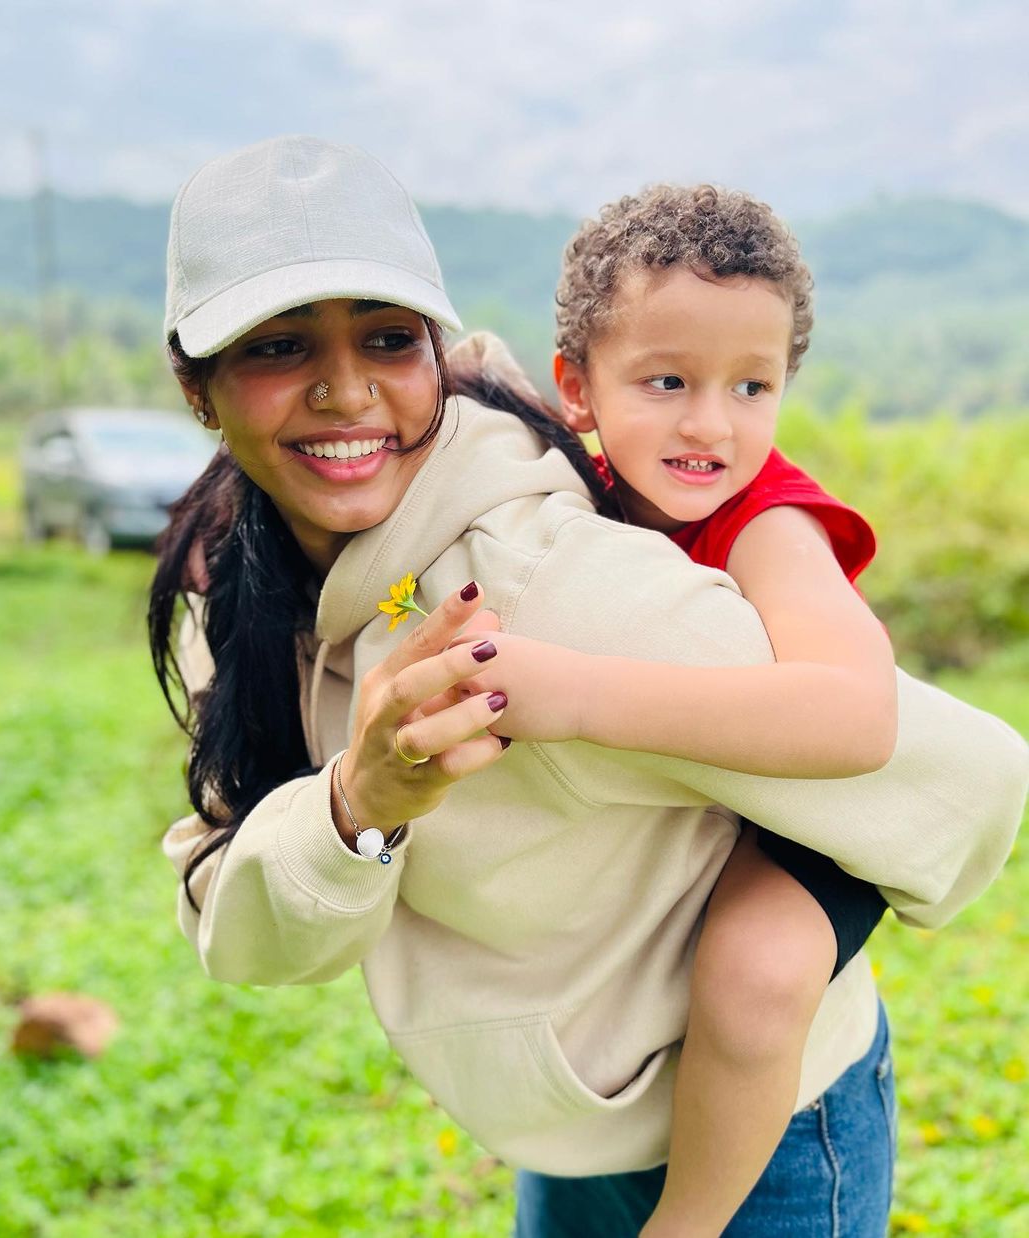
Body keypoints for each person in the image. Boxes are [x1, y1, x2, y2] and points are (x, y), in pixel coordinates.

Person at [151, 136, 1028, 1238]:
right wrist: (356, 806)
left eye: (385, 338)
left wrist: (576, 698)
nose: (344, 387)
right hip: (572, 1125)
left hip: (769, 1140)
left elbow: (962, 767)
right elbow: (237, 925)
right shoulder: (232, 588)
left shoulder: (544, 585)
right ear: (195, 383)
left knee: (760, 967)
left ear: (433, 348)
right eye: (280, 345)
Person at [442, 185, 895, 1235]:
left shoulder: (769, 522)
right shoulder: (571, 489)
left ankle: (686, 1220)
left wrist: (576, 692)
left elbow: (860, 718)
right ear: (579, 390)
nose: (710, 422)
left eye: (752, 385)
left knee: (755, 969)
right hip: (611, 1061)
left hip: (800, 810)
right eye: (666, 380)